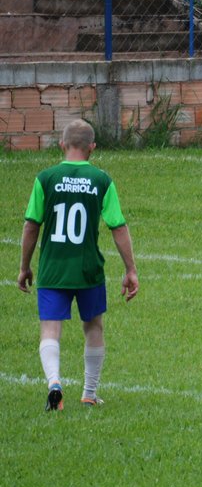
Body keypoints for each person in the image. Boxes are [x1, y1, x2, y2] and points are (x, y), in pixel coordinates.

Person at [17, 119, 139, 410]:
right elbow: (118, 227)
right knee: (94, 326)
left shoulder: (45, 178)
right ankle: (89, 393)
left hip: (53, 268)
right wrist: (130, 269)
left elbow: (31, 226)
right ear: (92, 148)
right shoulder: (102, 181)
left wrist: (25, 266)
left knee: (50, 329)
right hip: (88, 268)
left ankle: (54, 383)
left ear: (62, 145)